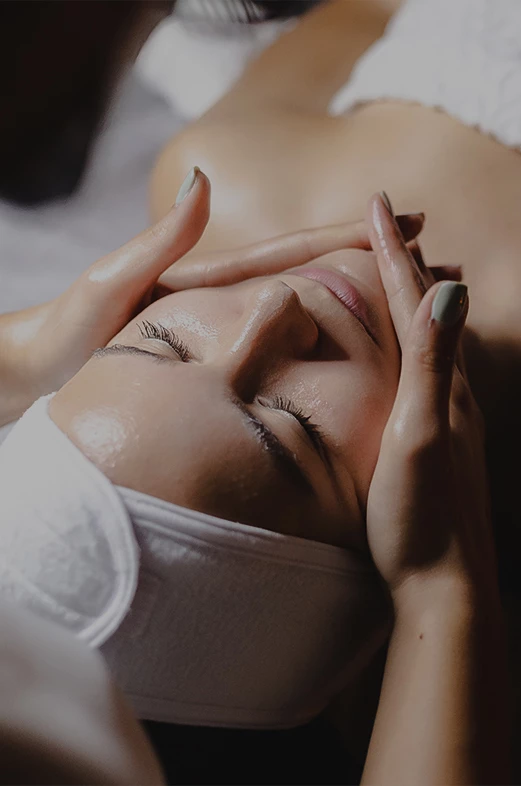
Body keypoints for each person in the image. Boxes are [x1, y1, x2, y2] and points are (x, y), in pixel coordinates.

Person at [0, 171, 510, 783]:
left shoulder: (219, 162)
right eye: (294, 425)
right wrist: (441, 582)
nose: (276, 306)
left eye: (161, 343)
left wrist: (26, 354)